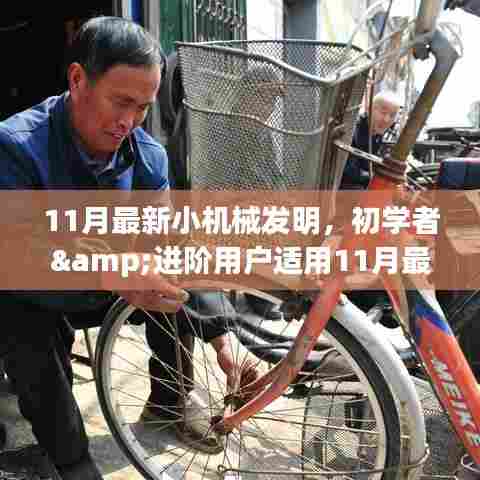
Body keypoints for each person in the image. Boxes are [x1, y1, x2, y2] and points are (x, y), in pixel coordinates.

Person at [0, 16, 257, 479]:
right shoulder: (16, 147)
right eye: (120, 102)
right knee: (22, 319)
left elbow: (172, 244)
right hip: (39, 287)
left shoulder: (147, 155)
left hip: (105, 284)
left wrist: (223, 336)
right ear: (77, 79)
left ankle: (169, 402)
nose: (129, 121)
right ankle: (70, 458)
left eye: (142, 107)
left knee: (169, 284)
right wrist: (110, 270)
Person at [340, 90, 401, 190]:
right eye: (383, 113)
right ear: (369, 109)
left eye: (392, 115)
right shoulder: (353, 130)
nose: (386, 119)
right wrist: (372, 177)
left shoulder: (377, 133)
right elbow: (345, 170)